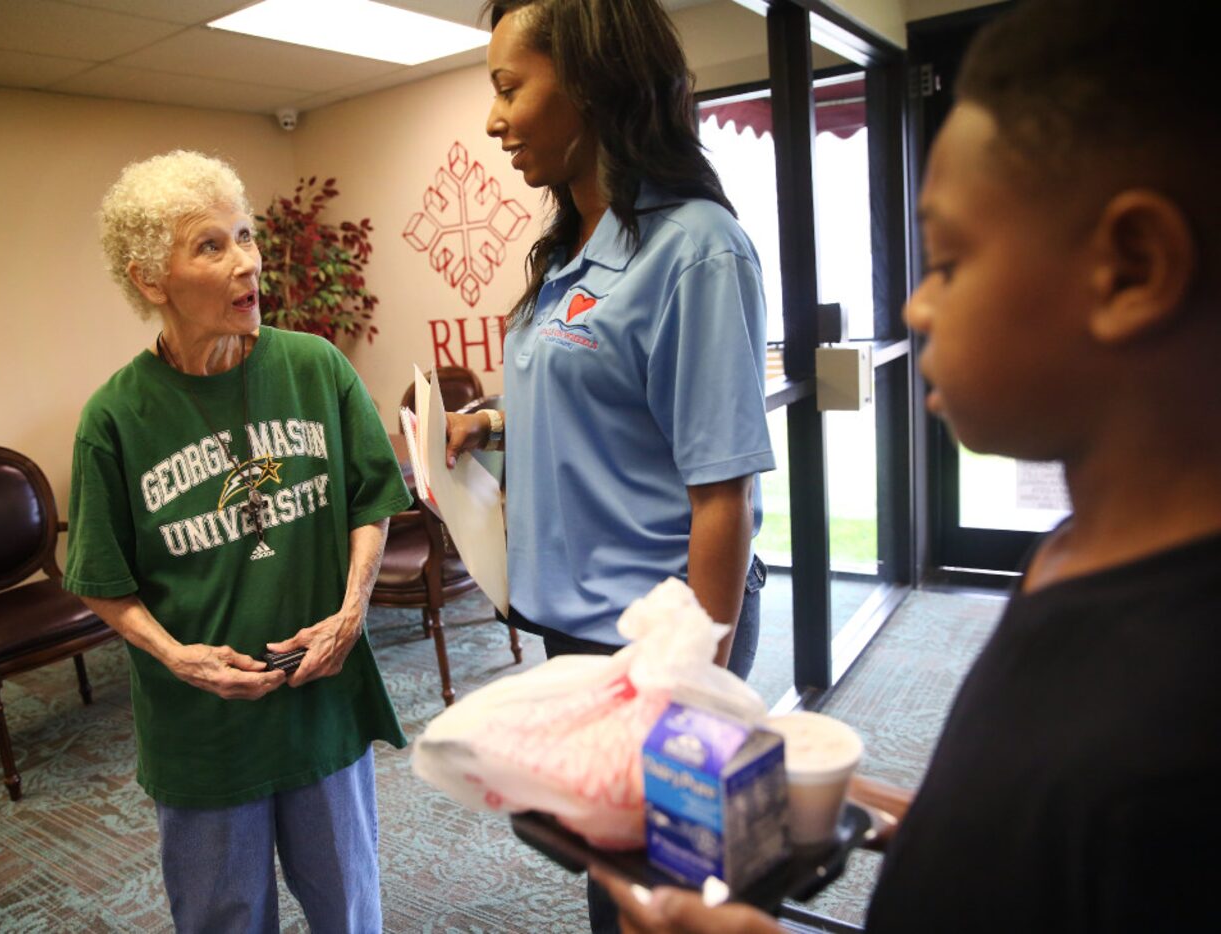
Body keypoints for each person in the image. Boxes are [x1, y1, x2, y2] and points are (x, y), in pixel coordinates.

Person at [594, 0, 1221, 930]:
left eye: (949, 260)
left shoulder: (1176, 732)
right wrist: (922, 824)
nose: (917, 308)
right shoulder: (1074, 553)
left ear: (1131, 269)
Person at [443, 1, 775, 929]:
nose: (494, 118)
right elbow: (606, 398)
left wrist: (689, 689)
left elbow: (723, 494)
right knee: (616, 885)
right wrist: (494, 423)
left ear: (591, 82)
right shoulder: (569, 251)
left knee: (672, 894)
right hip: (576, 634)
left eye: (510, 88)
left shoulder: (696, 249)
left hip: (661, 638)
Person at [64, 150, 412, 932]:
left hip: (320, 699)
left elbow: (370, 498)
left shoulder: (316, 367)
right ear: (151, 281)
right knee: (224, 919)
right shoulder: (114, 420)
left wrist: (353, 609)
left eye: (246, 236)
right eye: (211, 246)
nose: (246, 263)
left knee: (349, 908)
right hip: (204, 730)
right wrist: (177, 655)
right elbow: (100, 580)